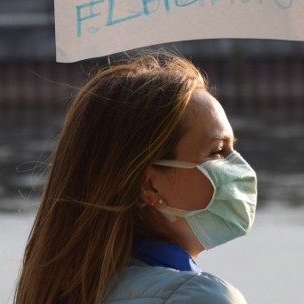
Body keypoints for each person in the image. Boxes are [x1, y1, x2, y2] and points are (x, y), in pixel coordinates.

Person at [15, 52, 257, 304]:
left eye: (232, 150)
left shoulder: (58, 292)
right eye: (217, 151)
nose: (238, 166)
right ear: (150, 186)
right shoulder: (200, 297)